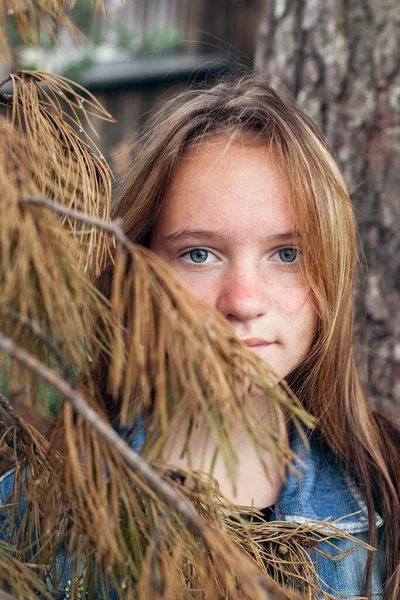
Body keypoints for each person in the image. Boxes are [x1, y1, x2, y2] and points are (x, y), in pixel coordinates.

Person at [94, 73, 400, 599]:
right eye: (199, 254)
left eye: (287, 255)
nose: (243, 301)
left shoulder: (389, 498)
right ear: (137, 270)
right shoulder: (35, 510)